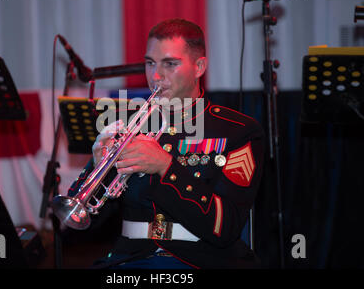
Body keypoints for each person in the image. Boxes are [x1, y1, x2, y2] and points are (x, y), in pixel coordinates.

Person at [65, 18, 265, 269]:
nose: (156, 75)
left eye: (170, 64)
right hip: (129, 258)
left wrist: (166, 167)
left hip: (201, 259)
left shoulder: (238, 130)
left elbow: (225, 226)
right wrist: (98, 167)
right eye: (150, 63)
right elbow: (80, 222)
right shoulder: (128, 125)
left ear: (199, 66)